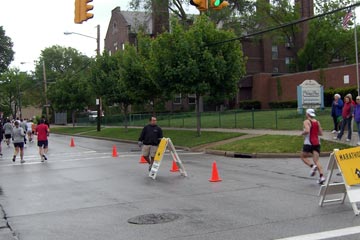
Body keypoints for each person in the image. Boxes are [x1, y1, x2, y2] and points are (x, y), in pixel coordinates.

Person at [300, 109, 325, 184]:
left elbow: (307, 130)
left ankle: (312, 166)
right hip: (317, 143)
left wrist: (302, 133)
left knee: (303, 156)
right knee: (316, 160)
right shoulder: (317, 122)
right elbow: (321, 133)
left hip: (308, 143)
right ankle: (322, 176)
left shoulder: (306, 121)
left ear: (307, 114)